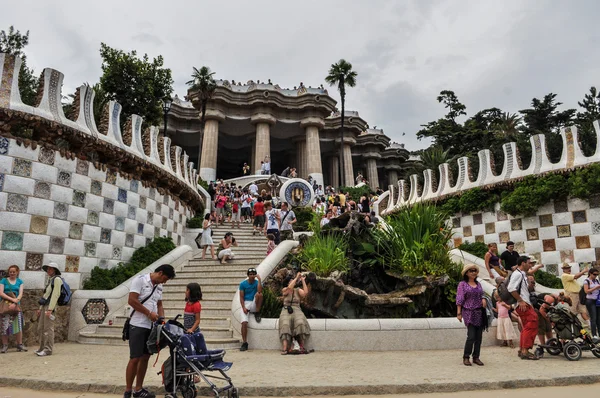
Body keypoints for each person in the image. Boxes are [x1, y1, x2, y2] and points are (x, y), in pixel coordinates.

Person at [124, 264, 175, 398]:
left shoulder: (159, 286)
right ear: (160, 272)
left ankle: (138, 389)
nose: (165, 281)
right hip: (137, 324)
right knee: (135, 358)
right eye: (165, 278)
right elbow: (132, 300)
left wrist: (162, 320)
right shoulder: (140, 280)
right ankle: (128, 390)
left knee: (145, 357)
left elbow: (159, 305)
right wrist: (148, 313)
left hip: (151, 327)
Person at [508, 256, 539, 360]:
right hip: (523, 304)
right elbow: (511, 288)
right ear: (523, 263)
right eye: (529, 263)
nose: (530, 265)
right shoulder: (517, 274)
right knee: (532, 322)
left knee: (527, 326)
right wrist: (520, 300)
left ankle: (523, 350)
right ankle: (525, 350)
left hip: (524, 303)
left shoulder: (522, 274)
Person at [456, 264, 486, 366]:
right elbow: (459, 298)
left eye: (475, 271)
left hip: (479, 312)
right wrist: (459, 313)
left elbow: (482, 294)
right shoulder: (462, 284)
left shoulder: (479, 284)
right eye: (471, 271)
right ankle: (466, 356)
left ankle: (476, 357)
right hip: (468, 311)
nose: (473, 272)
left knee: (479, 337)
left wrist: (483, 299)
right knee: (471, 336)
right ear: (467, 273)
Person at [35, 262, 64, 357]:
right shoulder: (50, 280)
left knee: (48, 329)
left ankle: (48, 349)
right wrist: (40, 308)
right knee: (41, 328)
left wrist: (50, 309)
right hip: (45, 306)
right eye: (48, 269)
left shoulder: (57, 280)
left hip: (50, 307)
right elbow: (45, 295)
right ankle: (42, 347)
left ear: (55, 270)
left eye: (51, 269)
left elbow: (56, 295)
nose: (49, 270)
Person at [279, 272, 311, 354]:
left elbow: (305, 293)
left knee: (300, 322)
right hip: (286, 309)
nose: (292, 282)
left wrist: (303, 281)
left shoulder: (298, 290)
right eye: (290, 281)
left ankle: (302, 346)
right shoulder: (285, 290)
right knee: (285, 324)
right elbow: (289, 289)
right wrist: (296, 278)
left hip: (296, 309)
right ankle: (285, 348)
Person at [0, 265, 26, 353]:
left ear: (17, 272)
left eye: (14, 272)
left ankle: (20, 344)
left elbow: (20, 294)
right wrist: (12, 300)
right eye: (10, 271)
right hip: (5, 306)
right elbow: (1, 293)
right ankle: (5, 345)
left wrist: (15, 302)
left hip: (16, 306)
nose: (12, 273)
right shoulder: (3, 280)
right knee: (4, 325)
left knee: (18, 325)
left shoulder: (20, 282)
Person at [239, 268, 263, 351]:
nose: (252, 276)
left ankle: (257, 311)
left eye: (253, 274)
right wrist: (243, 307)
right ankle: (244, 342)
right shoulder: (242, 284)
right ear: (248, 275)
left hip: (254, 302)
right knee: (244, 322)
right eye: (250, 274)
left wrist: (259, 280)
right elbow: (241, 297)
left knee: (259, 294)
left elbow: (259, 291)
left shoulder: (257, 283)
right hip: (246, 303)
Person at [583, 267, 600, 338]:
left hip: (597, 301)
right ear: (590, 273)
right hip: (590, 301)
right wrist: (595, 288)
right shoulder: (586, 281)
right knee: (593, 317)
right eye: (594, 274)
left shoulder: (596, 281)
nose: (595, 276)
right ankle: (594, 335)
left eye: (597, 275)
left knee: (599, 318)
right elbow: (586, 291)